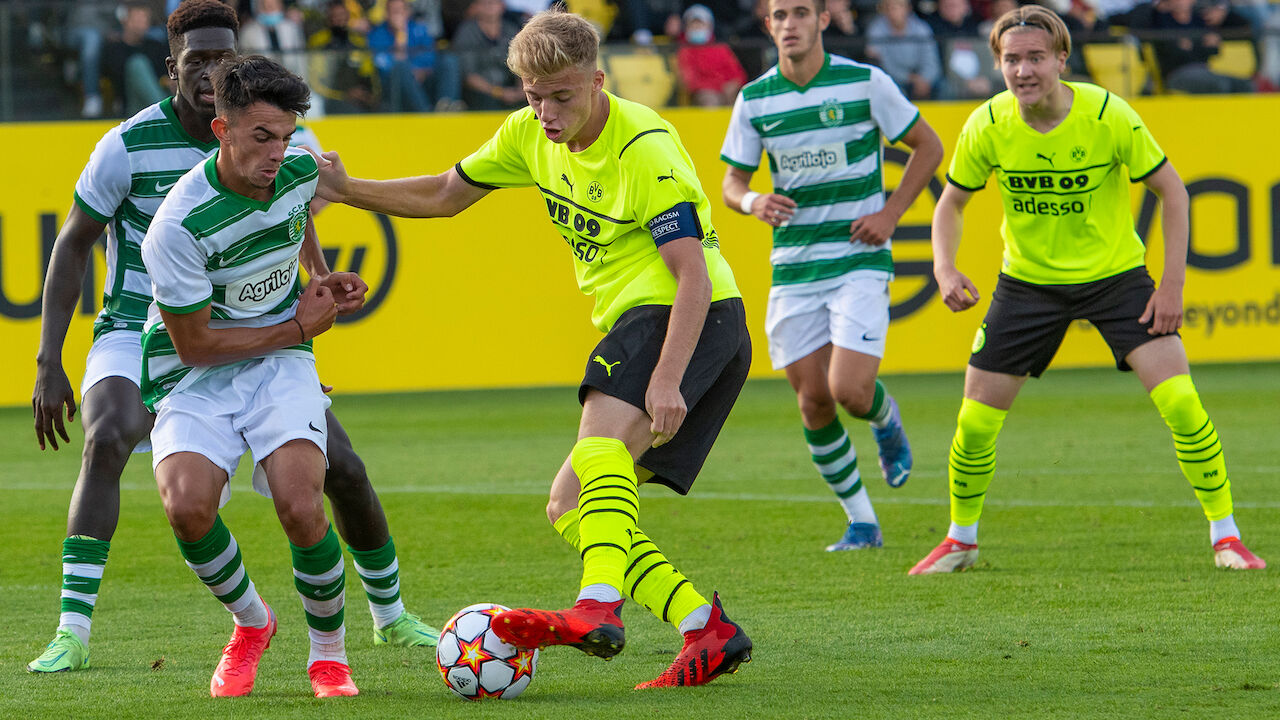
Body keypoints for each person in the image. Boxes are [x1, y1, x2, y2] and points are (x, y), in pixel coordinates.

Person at [311, 7, 755, 689]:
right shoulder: (528, 132)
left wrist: (667, 379)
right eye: (532, 95)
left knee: (598, 441)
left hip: (685, 315)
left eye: (561, 96)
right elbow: (445, 193)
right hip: (652, 321)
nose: (545, 111)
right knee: (569, 505)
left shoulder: (646, 147)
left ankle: (596, 608)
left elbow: (692, 274)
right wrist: (346, 190)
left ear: (599, 81)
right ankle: (705, 628)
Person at [29, 0, 439, 677]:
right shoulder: (127, 146)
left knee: (342, 468)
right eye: (197, 61)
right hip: (142, 325)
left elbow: (292, 213)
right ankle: (72, 631)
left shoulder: (272, 134)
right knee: (108, 436)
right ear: (172, 69)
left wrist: (314, 289)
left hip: (255, 330)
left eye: (223, 59)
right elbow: (72, 245)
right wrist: (50, 361)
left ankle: (390, 617)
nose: (210, 71)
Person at [911, 5, 1266, 575]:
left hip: (1117, 281)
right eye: (1011, 60)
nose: (1022, 71)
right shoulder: (989, 122)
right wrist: (944, 268)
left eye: (1034, 58)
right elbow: (951, 203)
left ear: (1061, 60)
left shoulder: (1107, 113)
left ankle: (1227, 537)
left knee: (1181, 401)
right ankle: (961, 540)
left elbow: (1174, 193)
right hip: (1027, 286)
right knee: (975, 421)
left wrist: (1171, 284)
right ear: (997, 63)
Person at [139, 53, 362, 698]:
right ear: (221, 130)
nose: (278, 152)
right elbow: (198, 345)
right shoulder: (177, 227)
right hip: (194, 373)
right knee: (186, 509)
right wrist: (300, 327)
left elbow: (299, 222)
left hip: (279, 365)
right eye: (261, 137)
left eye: (287, 135)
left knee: (300, 505)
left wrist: (320, 280)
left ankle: (329, 657)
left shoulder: (294, 172)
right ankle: (252, 624)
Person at [719, 0, 942, 551]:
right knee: (813, 401)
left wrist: (889, 214)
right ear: (767, 25)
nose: (789, 24)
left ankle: (884, 419)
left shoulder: (866, 83)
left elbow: (928, 146)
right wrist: (752, 201)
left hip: (857, 260)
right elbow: (731, 184)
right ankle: (862, 522)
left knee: (849, 390)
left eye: (800, 13)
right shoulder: (754, 100)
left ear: (823, 19)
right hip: (795, 267)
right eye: (779, 15)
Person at [368, 0, 463, 111]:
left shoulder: (419, 29)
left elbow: (430, 56)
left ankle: (446, 105)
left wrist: (419, 70)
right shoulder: (377, 34)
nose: (398, 14)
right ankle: (425, 113)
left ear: (408, 12)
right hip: (395, 89)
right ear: (386, 14)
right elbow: (385, 67)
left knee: (448, 60)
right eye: (394, 11)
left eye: (401, 10)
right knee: (401, 68)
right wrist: (400, 35)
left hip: (423, 78)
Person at [452, 0, 525, 110]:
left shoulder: (511, 30)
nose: (490, 6)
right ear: (476, 6)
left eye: (494, 2)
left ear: (502, 6)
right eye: (485, 3)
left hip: (510, 89)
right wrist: (498, 92)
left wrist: (522, 90)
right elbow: (468, 75)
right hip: (480, 92)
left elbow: (522, 64)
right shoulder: (467, 32)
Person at [675, 4, 749, 107]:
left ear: (710, 26)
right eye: (693, 25)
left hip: (726, 93)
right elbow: (689, 82)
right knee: (710, 99)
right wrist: (718, 87)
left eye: (701, 25)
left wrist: (732, 85)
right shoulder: (685, 51)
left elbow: (738, 74)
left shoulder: (721, 48)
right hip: (704, 94)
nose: (697, 28)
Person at [865, 0, 941, 100]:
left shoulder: (921, 28)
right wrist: (909, 78)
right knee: (893, 90)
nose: (893, 10)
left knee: (943, 86)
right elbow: (883, 64)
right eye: (888, 6)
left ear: (908, 8)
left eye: (898, 6)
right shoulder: (876, 30)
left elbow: (931, 59)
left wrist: (925, 79)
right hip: (893, 78)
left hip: (921, 76)